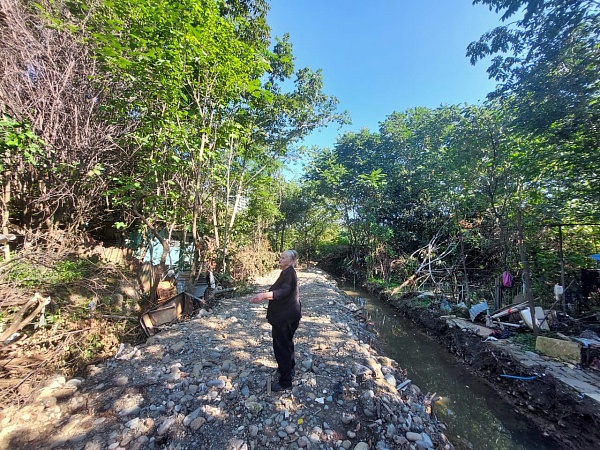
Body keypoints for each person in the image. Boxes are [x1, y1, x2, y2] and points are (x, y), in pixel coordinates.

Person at [249, 250, 301, 391]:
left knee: (281, 348)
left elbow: (284, 292)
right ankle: (289, 368)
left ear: (290, 262)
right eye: (281, 256)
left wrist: (263, 295)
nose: (280, 259)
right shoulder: (287, 272)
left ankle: (285, 382)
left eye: (284, 258)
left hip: (285, 319)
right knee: (287, 344)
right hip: (289, 316)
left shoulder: (290, 273)